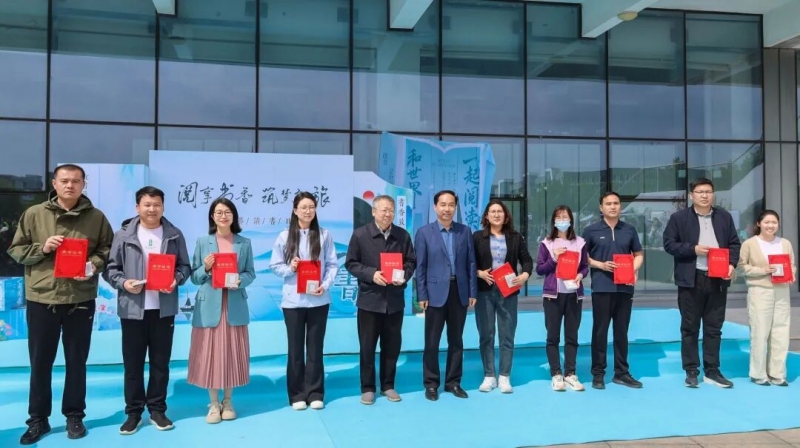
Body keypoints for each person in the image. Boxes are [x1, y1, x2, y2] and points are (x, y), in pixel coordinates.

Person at [7, 164, 113, 444]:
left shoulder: (96, 217)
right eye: (64, 180)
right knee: (40, 362)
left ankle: (74, 416)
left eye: (76, 181)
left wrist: (93, 265)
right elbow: (16, 249)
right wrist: (42, 248)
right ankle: (38, 419)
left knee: (77, 361)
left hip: (80, 298)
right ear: (54, 183)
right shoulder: (34, 214)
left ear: (83, 184)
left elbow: (107, 250)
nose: (70, 185)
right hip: (42, 298)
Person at [103, 186, 191, 434]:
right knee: (133, 365)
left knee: (160, 363)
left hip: (163, 310)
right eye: (147, 204)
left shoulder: (174, 234)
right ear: (137, 207)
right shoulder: (123, 235)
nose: (152, 209)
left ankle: (157, 410)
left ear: (163, 206)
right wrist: (124, 283)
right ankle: (133, 413)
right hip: (133, 310)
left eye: (157, 204)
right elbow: (111, 270)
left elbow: (185, 266)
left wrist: (176, 279)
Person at [663, 178, 740, 388]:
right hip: (691, 279)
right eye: (700, 192)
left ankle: (712, 370)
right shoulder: (679, 218)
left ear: (713, 194)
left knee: (714, 327)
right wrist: (693, 249)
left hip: (718, 279)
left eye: (708, 191)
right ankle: (691, 370)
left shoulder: (724, 217)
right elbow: (669, 244)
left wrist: (731, 264)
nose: (704, 195)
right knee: (690, 327)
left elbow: (734, 243)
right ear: (692, 195)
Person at [187, 198, 255, 423]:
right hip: (209, 306)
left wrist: (240, 281)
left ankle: (228, 401)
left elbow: (250, 273)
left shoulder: (244, 243)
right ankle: (213, 403)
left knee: (231, 352)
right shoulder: (202, 242)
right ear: (212, 217)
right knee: (210, 353)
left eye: (227, 212)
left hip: (234, 304)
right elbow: (194, 277)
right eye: (218, 212)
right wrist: (206, 268)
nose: (223, 216)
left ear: (234, 216)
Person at [270, 192, 339, 411]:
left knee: (316, 348)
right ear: (295, 210)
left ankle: (315, 392)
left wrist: (324, 285)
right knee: (295, 349)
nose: (308, 211)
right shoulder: (284, 236)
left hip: (319, 300)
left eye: (312, 207)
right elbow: (274, 265)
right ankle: (297, 394)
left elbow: (332, 265)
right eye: (304, 207)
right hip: (293, 302)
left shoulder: (324, 235)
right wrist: (290, 268)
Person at [345, 195, 416, 405]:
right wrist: (371, 274)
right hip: (369, 300)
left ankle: (388, 385)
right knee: (367, 347)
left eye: (391, 210)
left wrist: (404, 275)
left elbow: (411, 261)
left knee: (392, 346)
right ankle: (367, 387)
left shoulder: (402, 235)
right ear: (374, 212)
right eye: (383, 210)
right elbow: (351, 263)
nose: (387, 214)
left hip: (394, 302)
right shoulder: (360, 235)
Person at [415, 190, 477, 401]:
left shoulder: (464, 231)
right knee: (432, 341)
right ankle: (431, 384)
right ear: (435, 207)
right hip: (434, 294)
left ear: (455, 207)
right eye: (443, 204)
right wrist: (421, 294)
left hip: (459, 292)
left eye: (451, 205)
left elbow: (471, 263)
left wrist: (472, 291)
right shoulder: (424, 233)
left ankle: (453, 382)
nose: (447, 209)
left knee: (456, 340)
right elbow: (420, 267)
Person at [582, 191, 644, 390]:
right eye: (608, 203)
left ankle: (621, 373)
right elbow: (583, 257)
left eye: (616, 203)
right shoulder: (591, 230)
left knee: (621, 331)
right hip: (602, 287)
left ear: (620, 206)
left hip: (625, 288)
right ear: (601, 207)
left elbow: (638, 254)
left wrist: (632, 269)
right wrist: (600, 265)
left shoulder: (629, 230)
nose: (613, 206)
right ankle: (598, 374)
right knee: (600, 331)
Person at [473, 199, 533, 394]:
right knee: (486, 334)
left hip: (508, 290)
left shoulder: (515, 237)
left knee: (507, 334)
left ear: (506, 216)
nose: (496, 215)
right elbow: (469, 262)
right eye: (492, 211)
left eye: (500, 211)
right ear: (486, 216)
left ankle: (505, 376)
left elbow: (526, 260)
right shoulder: (477, 237)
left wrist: (524, 275)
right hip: (485, 290)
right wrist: (479, 273)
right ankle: (489, 375)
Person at [737, 210, 795, 386]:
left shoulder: (785, 243)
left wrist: (791, 274)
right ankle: (758, 373)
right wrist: (762, 270)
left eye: (774, 222)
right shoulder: (749, 244)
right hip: (760, 291)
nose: (771, 225)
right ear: (759, 224)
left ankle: (777, 373)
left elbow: (792, 264)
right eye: (767, 222)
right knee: (760, 332)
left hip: (782, 291)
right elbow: (741, 267)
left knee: (781, 332)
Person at [535, 205, 590, 392]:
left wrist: (580, 275)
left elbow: (585, 267)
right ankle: (556, 373)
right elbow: (540, 269)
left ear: (571, 220)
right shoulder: (547, 243)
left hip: (574, 295)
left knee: (572, 336)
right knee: (553, 336)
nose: (562, 221)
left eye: (565, 217)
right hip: (553, 295)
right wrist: (554, 259)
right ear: (553, 221)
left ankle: (570, 373)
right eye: (558, 217)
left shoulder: (580, 243)